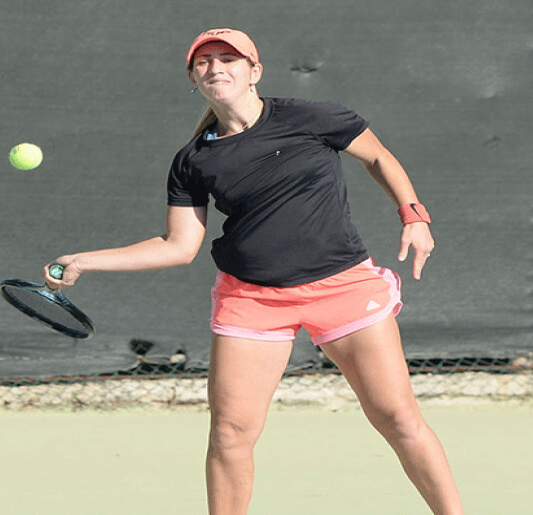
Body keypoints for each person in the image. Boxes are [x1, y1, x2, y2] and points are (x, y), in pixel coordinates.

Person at [44, 28, 464, 515]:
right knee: (229, 434)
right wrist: (84, 260)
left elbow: (377, 156)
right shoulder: (193, 159)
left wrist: (413, 215)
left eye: (229, 59)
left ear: (254, 71)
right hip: (252, 299)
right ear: (193, 78)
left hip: (343, 288)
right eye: (204, 62)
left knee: (397, 418)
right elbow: (178, 246)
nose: (216, 67)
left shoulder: (310, 118)